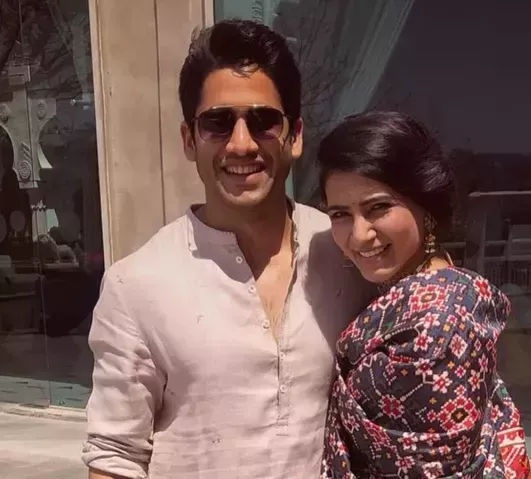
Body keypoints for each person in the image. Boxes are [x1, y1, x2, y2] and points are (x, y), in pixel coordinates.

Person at [81, 20, 372, 479]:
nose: (241, 144)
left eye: (263, 121)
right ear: (189, 140)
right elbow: (115, 456)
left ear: (295, 136)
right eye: (217, 123)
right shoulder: (136, 284)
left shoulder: (346, 252)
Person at [318, 111, 531, 478]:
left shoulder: (435, 325)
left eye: (378, 207)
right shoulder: (419, 289)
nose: (359, 235)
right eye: (340, 214)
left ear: (426, 205)